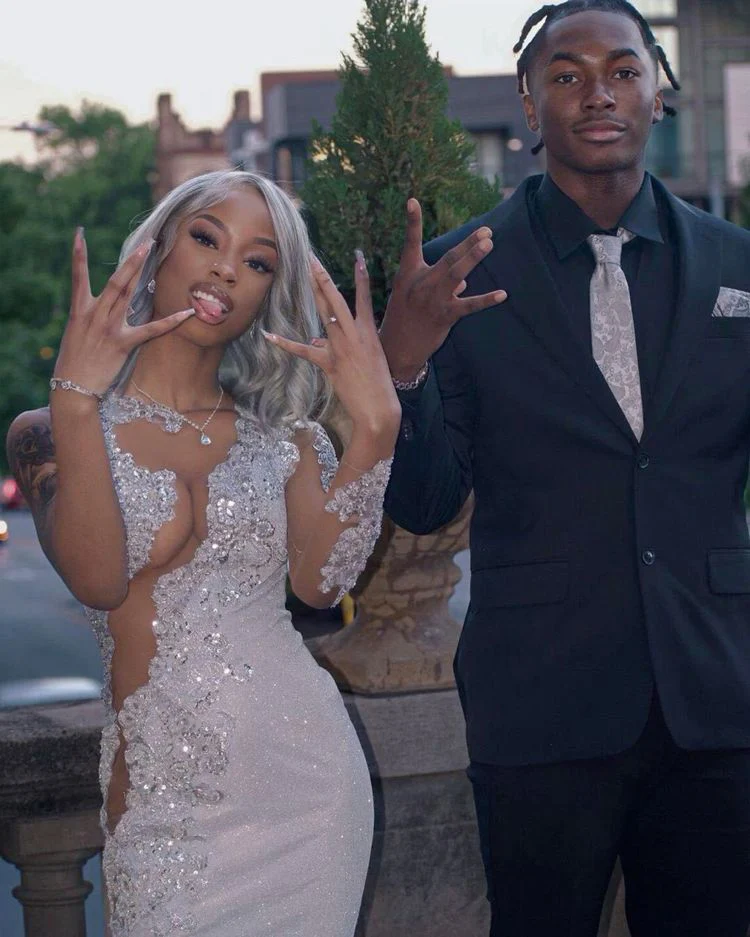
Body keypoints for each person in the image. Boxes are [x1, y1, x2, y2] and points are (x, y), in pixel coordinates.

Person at [379, 2, 750, 935]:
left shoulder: (737, 264)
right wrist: (402, 368)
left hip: (717, 699)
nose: (599, 94)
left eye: (623, 71)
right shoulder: (455, 275)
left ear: (659, 93)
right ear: (527, 101)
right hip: (539, 704)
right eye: (568, 74)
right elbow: (424, 504)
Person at [6, 169, 401, 937]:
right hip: (163, 818)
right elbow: (98, 579)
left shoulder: (286, 439)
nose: (226, 269)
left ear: (266, 294)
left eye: (257, 262)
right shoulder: (50, 430)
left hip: (311, 792)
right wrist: (75, 398)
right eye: (206, 237)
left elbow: (321, 585)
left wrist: (377, 430)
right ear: (158, 247)